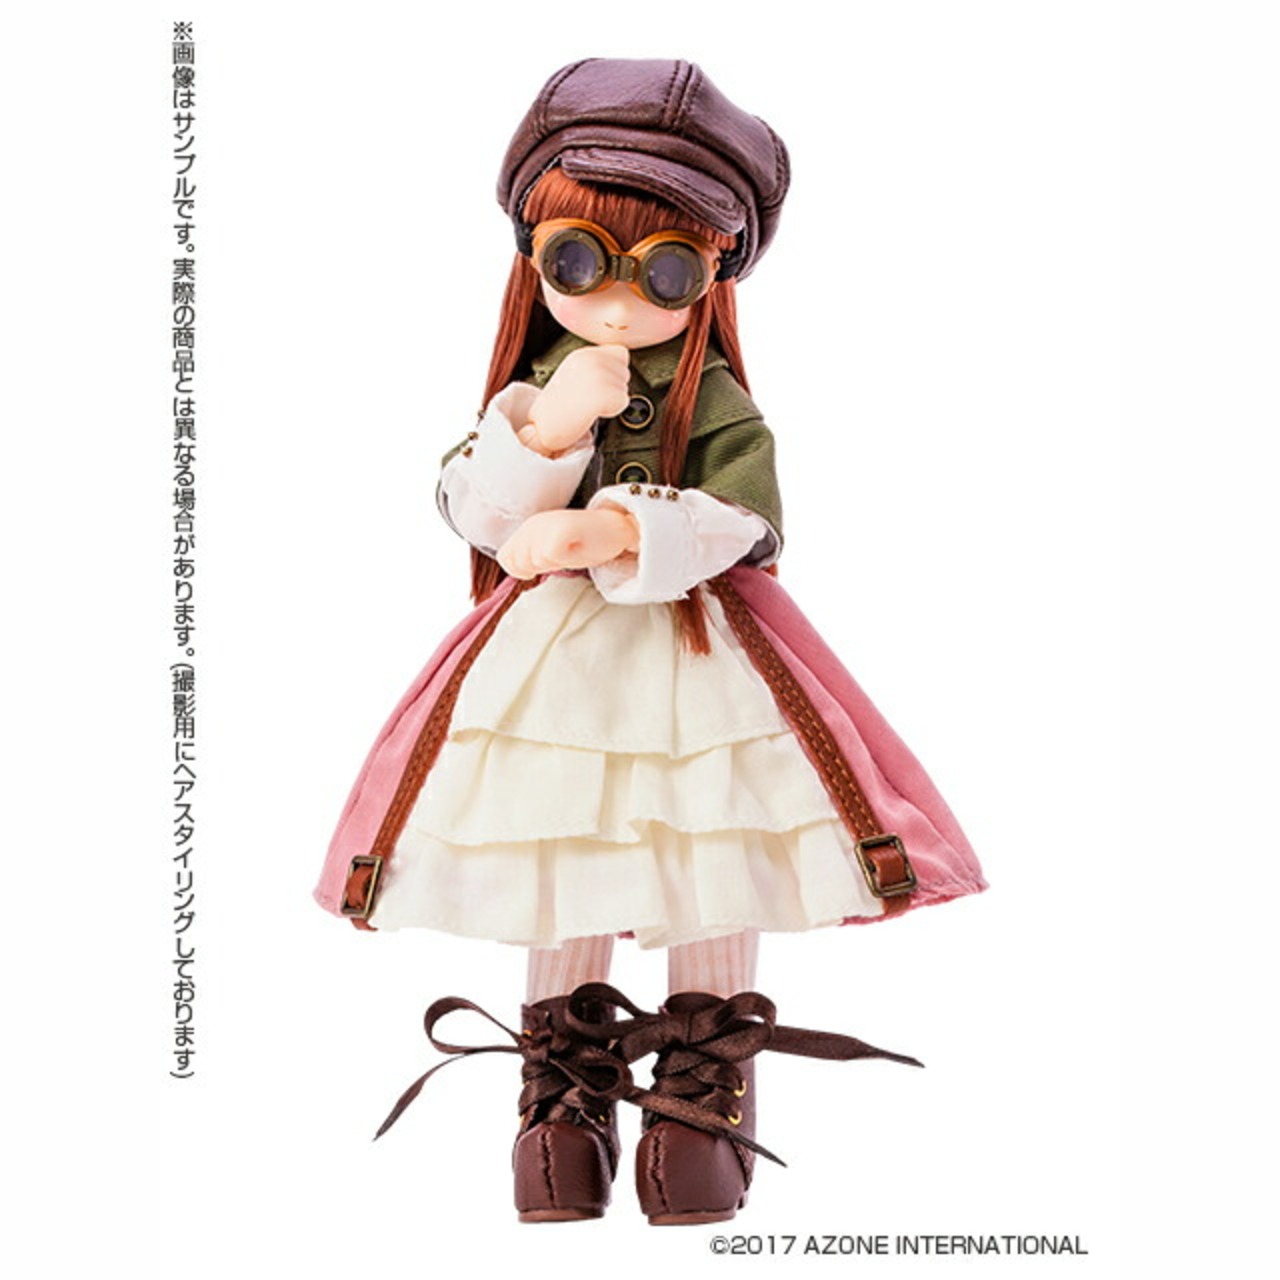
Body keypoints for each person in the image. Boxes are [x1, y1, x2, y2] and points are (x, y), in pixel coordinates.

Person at [314, 58, 986, 1225]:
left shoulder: (710, 391)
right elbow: (474, 505)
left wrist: (619, 528)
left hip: (693, 649)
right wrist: (547, 429)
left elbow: (747, 517)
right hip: (553, 665)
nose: (620, 301)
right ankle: (561, 1090)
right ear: (532, 252)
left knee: (709, 830)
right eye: (578, 259)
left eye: (665, 269)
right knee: (562, 831)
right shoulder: (535, 382)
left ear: (711, 273)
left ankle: (702, 1081)